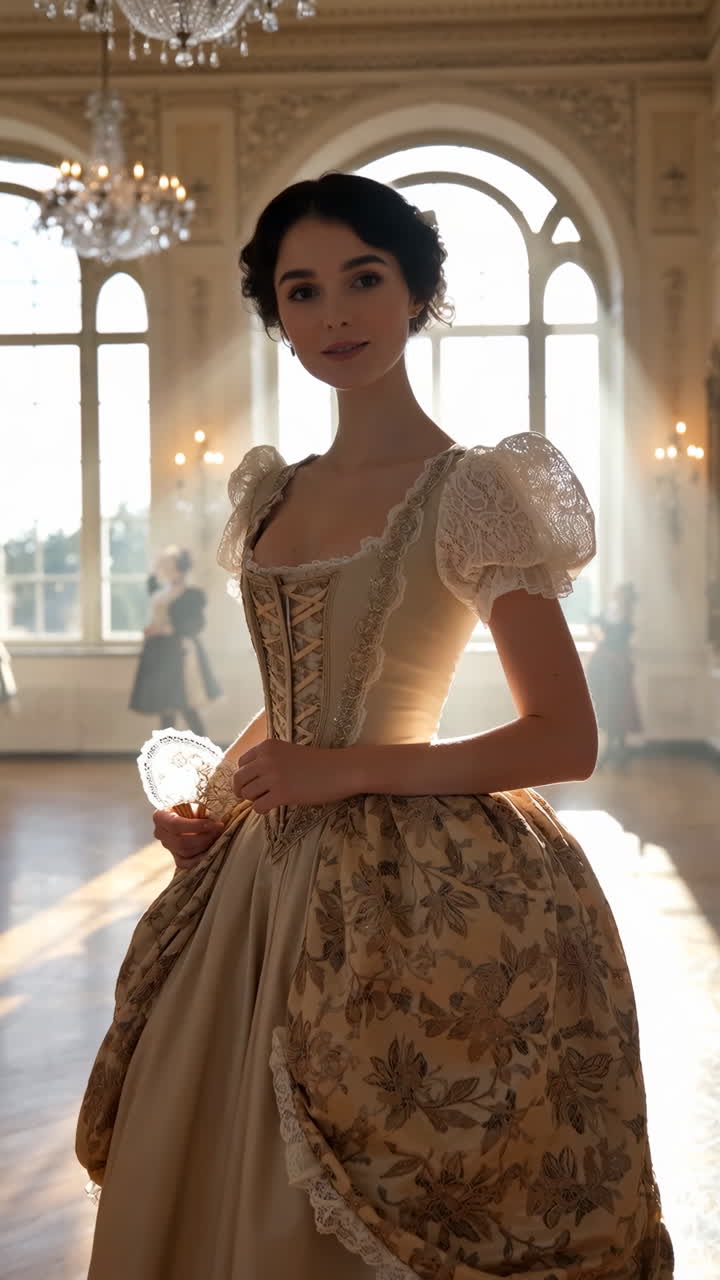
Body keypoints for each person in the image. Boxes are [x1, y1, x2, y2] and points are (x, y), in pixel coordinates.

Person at [79, 173, 673, 1278]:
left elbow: (563, 738)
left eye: (363, 278)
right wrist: (219, 802)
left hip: (410, 891)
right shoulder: (270, 493)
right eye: (301, 292)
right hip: (256, 884)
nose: (335, 313)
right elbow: (289, 714)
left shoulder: (472, 488)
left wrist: (339, 770)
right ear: (278, 320)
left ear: (417, 292)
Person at [128, 545, 221, 737]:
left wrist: (166, 629)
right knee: (166, 708)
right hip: (161, 654)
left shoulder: (191, 595)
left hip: (182, 653)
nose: (165, 568)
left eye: (169, 564)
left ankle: (208, 757)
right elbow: (156, 617)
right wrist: (152, 631)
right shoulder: (160, 594)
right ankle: (165, 757)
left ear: (179, 567)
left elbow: (196, 626)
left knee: (187, 706)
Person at [587, 582, 643, 768]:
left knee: (619, 707)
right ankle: (615, 751)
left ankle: (618, 751)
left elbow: (620, 638)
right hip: (608, 665)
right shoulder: (613, 613)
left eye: (619, 594)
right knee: (610, 706)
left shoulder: (626, 615)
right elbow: (594, 624)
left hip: (617, 667)